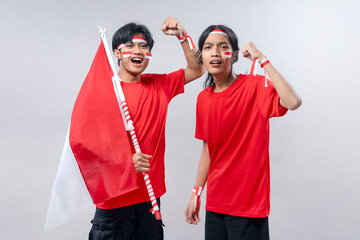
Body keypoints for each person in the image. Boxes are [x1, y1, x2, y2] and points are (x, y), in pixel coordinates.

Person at [89, 17, 204, 240]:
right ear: (117, 52)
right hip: (114, 201)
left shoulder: (160, 85)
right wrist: (125, 161)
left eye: (144, 46)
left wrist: (182, 36)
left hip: (149, 199)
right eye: (130, 45)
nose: (138, 51)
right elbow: (86, 147)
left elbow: (197, 69)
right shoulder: (103, 92)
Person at [185, 25, 302, 240]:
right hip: (215, 204)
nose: (216, 53)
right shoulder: (203, 98)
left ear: (235, 55)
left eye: (223, 47)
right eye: (209, 47)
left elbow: (293, 102)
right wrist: (196, 192)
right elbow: (208, 150)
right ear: (201, 55)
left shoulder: (255, 86)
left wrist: (263, 59)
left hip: (248, 206)